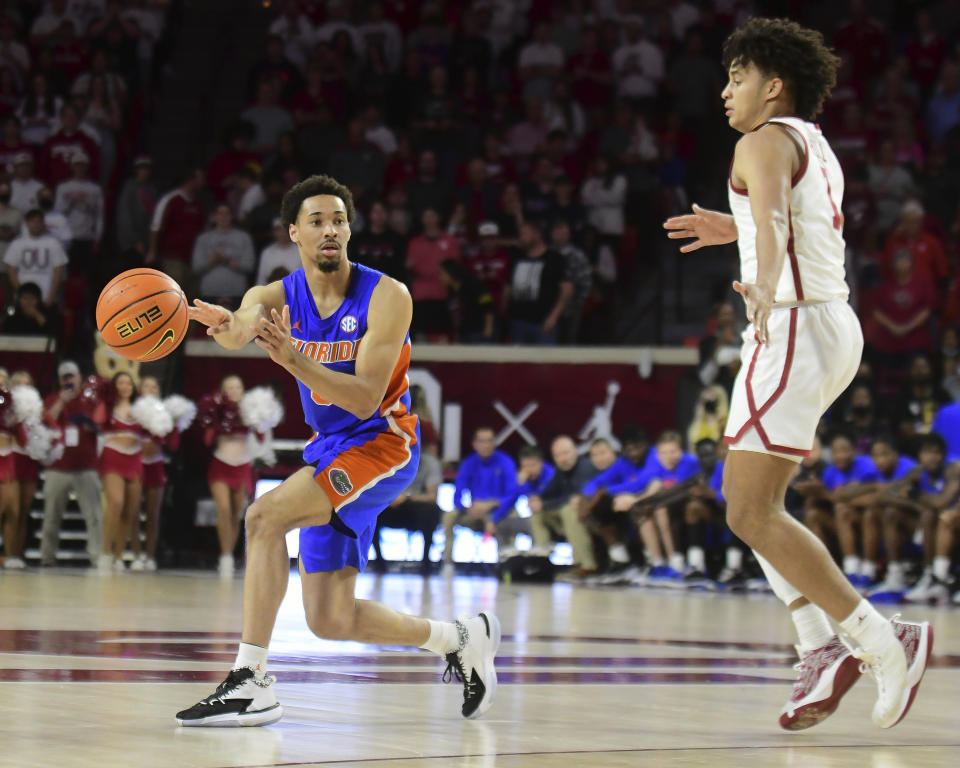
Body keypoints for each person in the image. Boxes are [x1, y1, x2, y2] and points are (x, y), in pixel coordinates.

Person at [663, 18, 930, 732]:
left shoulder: (761, 139)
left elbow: (778, 222)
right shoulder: (809, 140)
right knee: (751, 503)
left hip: (794, 322)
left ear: (771, 85)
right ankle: (817, 647)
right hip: (827, 325)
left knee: (748, 510)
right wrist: (736, 226)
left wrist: (763, 283)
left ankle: (879, 640)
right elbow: (782, 215)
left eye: (737, 78)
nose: (725, 92)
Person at [178, 174, 498, 726]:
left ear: (350, 231)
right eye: (317, 221)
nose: (330, 229)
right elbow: (242, 326)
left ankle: (249, 679)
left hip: (383, 443)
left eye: (339, 220)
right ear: (294, 235)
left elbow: (364, 397)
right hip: (330, 449)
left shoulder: (388, 295)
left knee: (263, 516)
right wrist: (227, 325)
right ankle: (459, 639)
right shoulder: (276, 294)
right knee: (330, 619)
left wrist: (291, 357)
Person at [40, 361, 105, 566]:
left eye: (72, 376)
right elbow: (46, 421)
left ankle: (96, 555)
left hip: (86, 467)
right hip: (58, 468)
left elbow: (102, 424)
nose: (69, 380)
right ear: (60, 381)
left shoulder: (90, 401)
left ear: (79, 377)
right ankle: (47, 556)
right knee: (51, 515)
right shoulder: (52, 399)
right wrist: (61, 401)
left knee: (94, 515)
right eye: (64, 377)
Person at [441, 426, 525, 576]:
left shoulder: (506, 462)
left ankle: (508, 564)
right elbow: (458, 494)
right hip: (474, 512)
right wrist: (467, 508)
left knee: (514, 517)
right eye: (482, 441)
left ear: (495, 443)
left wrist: (492, 509)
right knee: (449, 516)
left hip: (499, 510)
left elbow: (512, 495)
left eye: (489, 441)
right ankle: (447, 563)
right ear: (475, 444)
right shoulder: (469, 463)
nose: (486, 445)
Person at [198, 375, 254, 577]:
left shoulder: (251, 411)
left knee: (236, 513)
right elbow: (207, 440)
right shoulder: (216, 411)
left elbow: (262, 434)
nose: (233, 390)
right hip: (221, 464)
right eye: (229, 387)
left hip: (242, 466)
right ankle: (226, 557)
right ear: (223, 391)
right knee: (223, 508)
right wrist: (215, 423)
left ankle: (230, 554)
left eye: (237, 387)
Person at [370, 440, 443, 575]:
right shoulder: (384, 459)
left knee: (431, 511)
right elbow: (375, 488)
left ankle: (426, 562)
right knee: (371, 512)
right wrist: (390, 497)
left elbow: (432, 496)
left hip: (415, 506)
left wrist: (407, 497)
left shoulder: (430, 463)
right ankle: (379, 562)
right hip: (390, 504)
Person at [531, 435, 599, 579]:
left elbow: (575, 498)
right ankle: (542, 562)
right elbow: (548, 494)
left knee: (569, 510)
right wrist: (537, 500)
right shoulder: (560, 471)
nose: (563, 459)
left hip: (593, 516)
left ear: (575, 451)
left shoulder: (585, 467)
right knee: (537, 513)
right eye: (558, 455)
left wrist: (544, 503)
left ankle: (586, 565)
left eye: (566, 453)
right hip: (566, 517)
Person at [98, 372, 143, 573]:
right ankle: (106, 552)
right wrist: (105, 399)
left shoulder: (141, 409)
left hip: (134, 458)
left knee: (130, 510)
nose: (125, 386)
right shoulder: (108, 406)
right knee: (116, 502)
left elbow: (157, 432)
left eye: (128, 383)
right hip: (112, 455)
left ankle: (118, 556)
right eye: (121, 382)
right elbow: (97, 419)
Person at [192, 204, 256, 308]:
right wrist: (214, 260)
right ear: (214, 216)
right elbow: (196, 268)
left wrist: (228, 260)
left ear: (232, 216)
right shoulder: (203, 239)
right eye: (220, 213)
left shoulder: (244, 237)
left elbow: (250, 266)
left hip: (237, 294)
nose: (224, 217)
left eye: (227, 214)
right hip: (210, 294)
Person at [4, 208, 68, 305]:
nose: (35, 224)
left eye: (38, 221)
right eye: (32, 221)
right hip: (23, 293)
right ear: (27, 223)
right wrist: (22, 294)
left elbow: (58, 273)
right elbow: (11, 272)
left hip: (46, 293)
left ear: (43, 223)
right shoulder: (17, 244)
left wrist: (51, 296)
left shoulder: (53, 243)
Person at [255, 216, 300, 285]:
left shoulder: (300, 252)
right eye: (279, 229)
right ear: (274, 232)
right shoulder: (267, 252)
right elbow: (261, 279)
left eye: (285, 229)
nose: (282, 233)